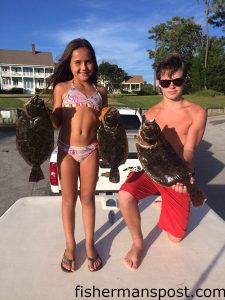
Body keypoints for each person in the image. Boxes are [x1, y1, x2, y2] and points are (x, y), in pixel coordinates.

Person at [118, 53, 207, 271]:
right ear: (159, 83)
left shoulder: (197, 112)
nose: (172, 86)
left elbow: (189, 149)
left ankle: (166, 201)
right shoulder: (150, 114)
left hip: (178, 175)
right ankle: (138, 243)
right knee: (124, 195)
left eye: (177, 80)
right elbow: (144, 150)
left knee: (174, 239)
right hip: (153, 172)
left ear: (185, 79)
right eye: (166, 82)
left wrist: (182, 175)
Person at [48, 38, 108, 272]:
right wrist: (44, 114)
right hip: (66, 150)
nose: (84, 67)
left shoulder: (100, 91)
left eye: (88, 62)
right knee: (68, 200)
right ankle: (71, 246)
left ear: (94, 63)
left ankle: (91, 245)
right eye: (78, 62)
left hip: (91, 150)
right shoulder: (62, 88)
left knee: (88, 199)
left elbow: (104, 123)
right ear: (70, 64)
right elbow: (54, 122)